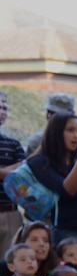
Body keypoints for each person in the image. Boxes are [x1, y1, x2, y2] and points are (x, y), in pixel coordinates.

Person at [28, 114, 77, 260]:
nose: (76, 136)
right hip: (69, 230)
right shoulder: (41, 162)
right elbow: (68, 190)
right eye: (70, 130)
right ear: (56, 131)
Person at [0, 93, 28, 247]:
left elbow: (23, 173)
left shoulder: (13, 144)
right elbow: (15, 172)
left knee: (10, 264)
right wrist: (8, 172)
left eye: (5, 108)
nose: (3, 112)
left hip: (10, 212)